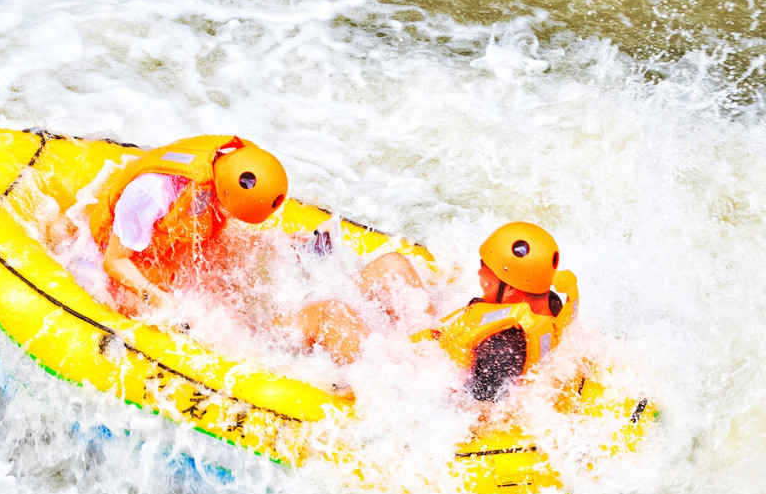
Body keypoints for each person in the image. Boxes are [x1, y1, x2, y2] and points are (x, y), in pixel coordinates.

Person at [291, 222, 578, 402]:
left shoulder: (501, 351)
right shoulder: (546, 299)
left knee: (329, 314)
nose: (479, 273)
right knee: (392, 266)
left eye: (486, 271)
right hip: (436, 352)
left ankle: (259, 335)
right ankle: (321, 275)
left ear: (512, 289)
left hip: (417, 384)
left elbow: (472, 414)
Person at [89, 135, 288, 308]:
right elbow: (113, 261)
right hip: (108, 253)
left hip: (167, 245)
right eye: (233, 212)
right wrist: (159, 299)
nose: (233, 218)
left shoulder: (218, 176)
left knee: (224, 287)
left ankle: (299, 243)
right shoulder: (151, 192)